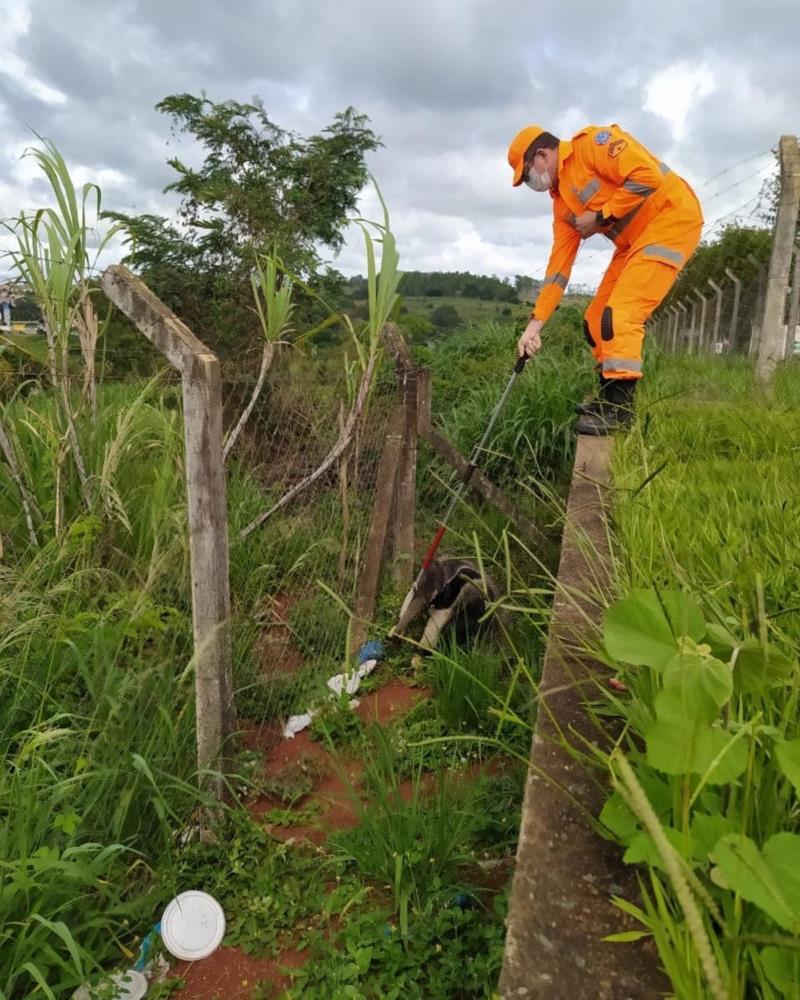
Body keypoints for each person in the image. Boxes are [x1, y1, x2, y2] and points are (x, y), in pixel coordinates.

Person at [508, 124, 703, 434]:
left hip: (671, 218)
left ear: (542, 154)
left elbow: (647, 175)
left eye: (528, 174)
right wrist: (534, 327)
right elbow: (558, 270)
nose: (532, 182)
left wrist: (599, 217)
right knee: (595, 320)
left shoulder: (594, 145)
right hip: (633, 242)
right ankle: (608, 397)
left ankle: (621, 412)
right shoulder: (561, 205)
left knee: (620, 315)